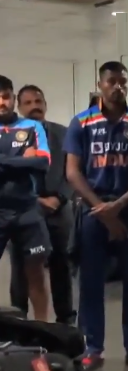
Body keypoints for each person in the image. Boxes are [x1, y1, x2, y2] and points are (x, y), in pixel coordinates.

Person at [64, 61, 128, 371]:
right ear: (100, 84)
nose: (118, 87)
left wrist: (120, 205)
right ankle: (92, 348)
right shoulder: (82, 122)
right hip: (94, 211)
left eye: (123, 81)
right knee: (91, 282)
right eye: (112, 81)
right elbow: (72, 172)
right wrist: (103, 210)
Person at [9, 85, 75, 324]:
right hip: (23, 209)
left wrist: (59, 198)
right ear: (19, 108)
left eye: (38, 101)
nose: (34, 106)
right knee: (21, 267)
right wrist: (34, 201)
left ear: (45, 105)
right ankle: (18, 319)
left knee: (61, 264)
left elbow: (73, 171)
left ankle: (65, 320)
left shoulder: (64, 134)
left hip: (59, 208)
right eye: (28, 103)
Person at [0, 75, 52, 321]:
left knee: (36, 275)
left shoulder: (32, 127)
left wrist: (3, 162)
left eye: (5, 97)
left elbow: (42, 162)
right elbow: (30, 162)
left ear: (13, 98)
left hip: (27, 211)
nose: (2, 102)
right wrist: (22, 160)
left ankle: (43, 331)